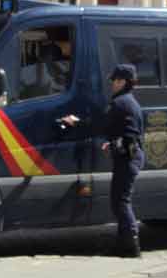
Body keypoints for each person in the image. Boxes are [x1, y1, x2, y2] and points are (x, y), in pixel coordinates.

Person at [60, 64, 144, 257]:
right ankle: (123, 244)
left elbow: (103, 126)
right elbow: (120, 129)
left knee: (121, 201)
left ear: (123, 82)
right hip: (130, 156)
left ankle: (131, 247)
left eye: (114, 80)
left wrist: (76, 123)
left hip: (128, 158)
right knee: (119, 200)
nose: (112, 84)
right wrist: (113, 142)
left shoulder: (121, 103)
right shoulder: (129, 101)